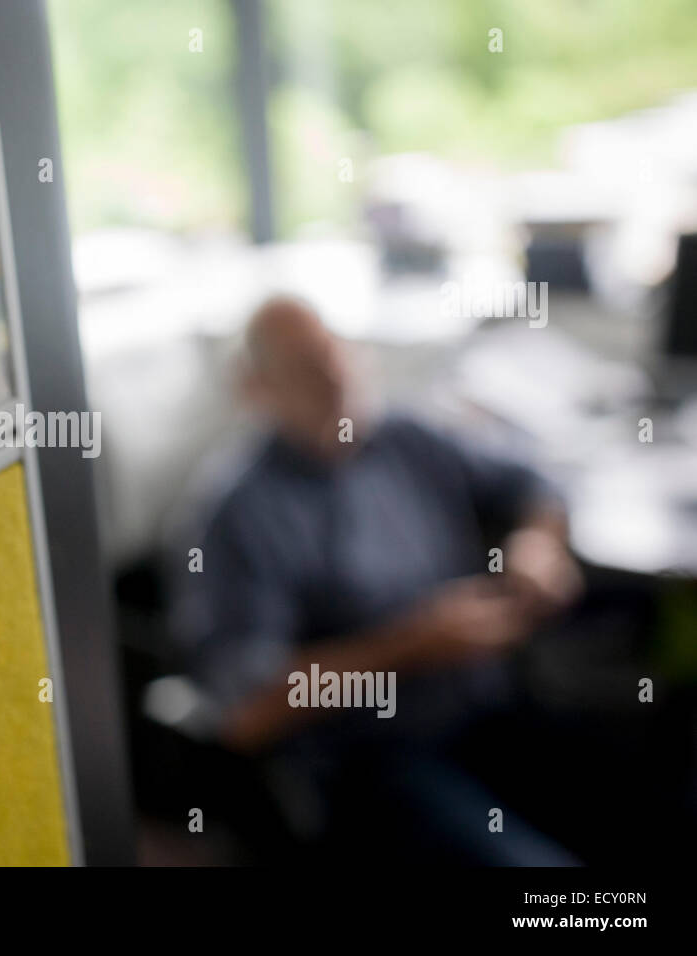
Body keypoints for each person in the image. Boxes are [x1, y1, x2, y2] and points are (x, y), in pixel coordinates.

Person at [170, 295, 585, 864]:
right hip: (372, 757)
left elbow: (535, 480)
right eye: (308, 369)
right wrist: (412, 645)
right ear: (257, 389)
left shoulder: (403, 437)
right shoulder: (238, 515)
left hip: (486, 709)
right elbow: (247, 712)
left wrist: (537, 544)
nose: (337, 377)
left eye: (337, 354)